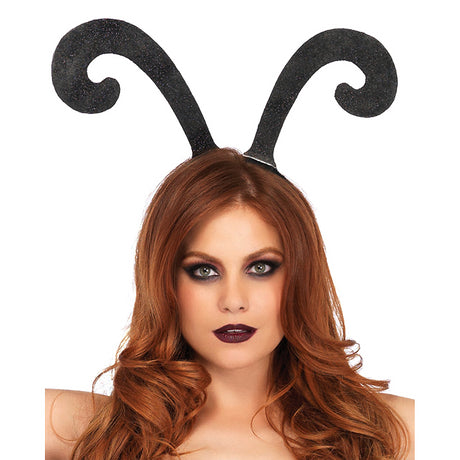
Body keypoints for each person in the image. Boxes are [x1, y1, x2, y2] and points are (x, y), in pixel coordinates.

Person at [45, 148, 414, 459]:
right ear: (165, 281)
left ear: (300, 276)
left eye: (260, 267)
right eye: (204, 271)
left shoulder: (391, 433)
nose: (234, 301)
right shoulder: (90, 429)